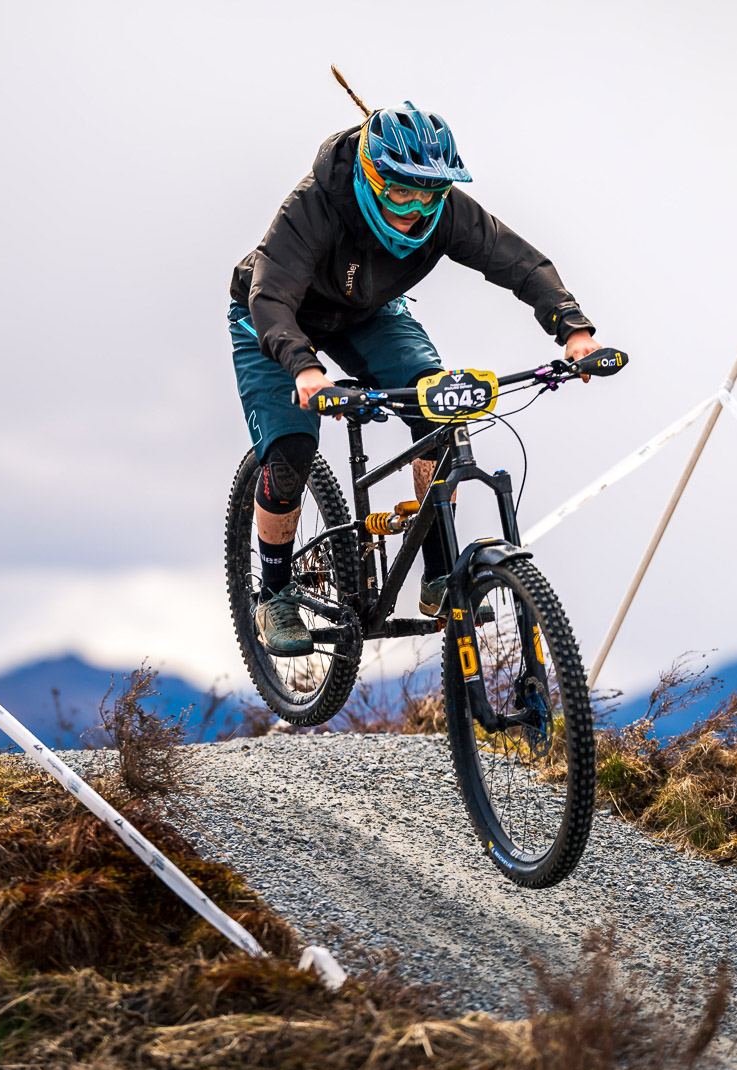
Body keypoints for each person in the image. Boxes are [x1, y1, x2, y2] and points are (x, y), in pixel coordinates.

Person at [229, 99, 603, 657]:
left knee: (441, 404)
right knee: (290, 446)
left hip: (369, 314)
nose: (415, 208)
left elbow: (519, 263)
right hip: (273, 319)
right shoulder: (314, 204)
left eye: (428, 193)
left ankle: (438, 578)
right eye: (401, 191)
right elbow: (271, 294)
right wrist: (304, 367)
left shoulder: (444, 210)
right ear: (370, 176)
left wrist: (572, 330)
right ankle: (276, 595)